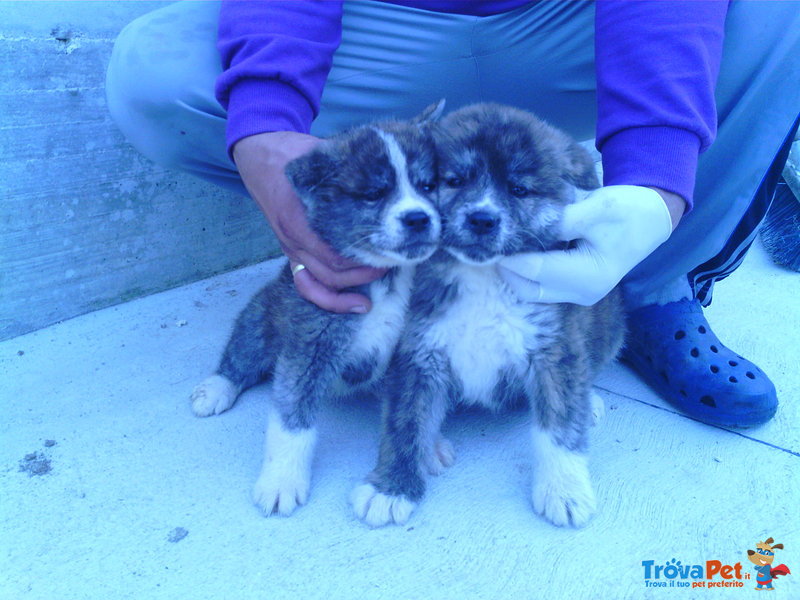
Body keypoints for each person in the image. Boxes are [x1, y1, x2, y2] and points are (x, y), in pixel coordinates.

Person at [106, 0, 800, 428]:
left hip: (572, 24)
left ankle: (649, 286)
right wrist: (266, 119)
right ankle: (369, 261)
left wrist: (658, 177)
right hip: (379, 26)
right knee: (153, 71)